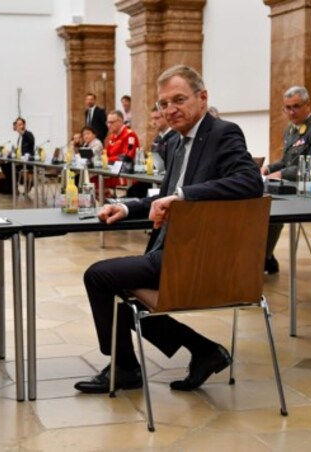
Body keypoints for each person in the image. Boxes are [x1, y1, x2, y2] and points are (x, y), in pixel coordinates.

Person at [75, 65, 263, 394]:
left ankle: (126, 367)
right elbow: (164, 196)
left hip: (200, 258)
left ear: (202, 98)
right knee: (121, 296)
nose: (170, 109)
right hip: (172, 251)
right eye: (163, 104)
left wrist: (185, 196)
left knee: (99, 276)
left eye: (178, 99)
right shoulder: (175, 143)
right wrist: (124, 207)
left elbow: (249, 182)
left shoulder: (223, 133)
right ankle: (202, 351)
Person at [261, 86, 311, 274]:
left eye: (296, 106)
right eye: (287, 108)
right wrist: (268, 168)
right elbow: (286, 161)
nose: (291, 112)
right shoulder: (291, 130)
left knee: (272, 210)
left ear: (307, 105)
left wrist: (281, 174)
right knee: (263, 207)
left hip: (308, 191)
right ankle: (265, 256)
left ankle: (265, 257)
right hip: (289, 188)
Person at [14, 117, 35, 192]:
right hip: (20, 160)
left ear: (24, 125)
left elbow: (30, 141)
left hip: (28, 161)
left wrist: (21, 132)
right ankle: (13, 187)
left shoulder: (28, 134)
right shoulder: (20, 137)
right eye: (17, 125)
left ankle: (29, 182)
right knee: (6, 166)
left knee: (12, 168)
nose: (18, 126)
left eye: (20, 124)